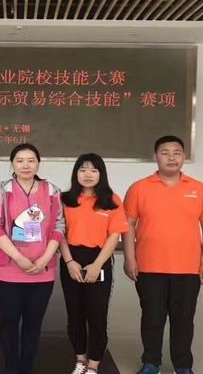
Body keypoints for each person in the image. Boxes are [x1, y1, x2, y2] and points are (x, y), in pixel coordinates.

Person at [122, 135, 203, 374]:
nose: (171, 157)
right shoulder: (139, 188)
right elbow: (128, 225)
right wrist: (129, 258)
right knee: (152, 318)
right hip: (149, 266)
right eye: (165, 153)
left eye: (177, 153)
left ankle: (183, 365)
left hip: (188, 267)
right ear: (155, 157)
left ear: (183, 157)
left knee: (183, 319)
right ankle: (151, 363)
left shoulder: (199, 189)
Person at [0, 143, 65, 374]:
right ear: (12, 164)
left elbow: (59, 225)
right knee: (8, 323)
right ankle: (11, 368)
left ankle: (27, 368)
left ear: (38, 163)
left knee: (34, 324)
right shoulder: (3, 190)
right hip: (7, 270)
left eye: (31, 160)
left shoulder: (51, 191)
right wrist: (19, 258)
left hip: (42, 271)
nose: (26, 165)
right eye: (20, 160)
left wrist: (45, 259)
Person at [59, 153, 128, 374]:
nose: (88, 174)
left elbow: (114, 235)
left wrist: (97, 265)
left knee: (97, 314)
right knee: (75, 314)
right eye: (83, 169)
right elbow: (59, 233)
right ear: (76, 173)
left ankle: (94, 364)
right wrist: (69, 261)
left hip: (100, 259)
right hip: (71, 258)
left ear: (101, 174)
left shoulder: (112, 200)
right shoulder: (65, 199)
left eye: (93, 170)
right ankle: (80, 360)